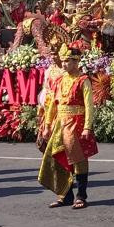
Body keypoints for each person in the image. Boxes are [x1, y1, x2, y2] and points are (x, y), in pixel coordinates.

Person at [38, 33, 97, 209]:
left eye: (68, 61)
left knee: (78, 160)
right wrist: (47, 125)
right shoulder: (59, 80)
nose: (64, 64)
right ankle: (65, 194)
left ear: (76, 62)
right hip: (60, 123)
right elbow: (52, 106)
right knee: (59, 159)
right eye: (63, 61)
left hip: (76, 123)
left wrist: (87, 127)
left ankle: (81, 195)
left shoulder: (83, 81)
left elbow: (89, 105)